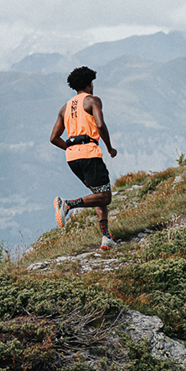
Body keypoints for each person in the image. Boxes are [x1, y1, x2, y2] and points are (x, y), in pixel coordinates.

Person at [50, 66, 118, 250]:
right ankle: (68, 204)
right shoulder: (92, 101)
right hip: (90, 154)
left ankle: (106, 238)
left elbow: (53, 138)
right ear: (89, 83)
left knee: (98, 195)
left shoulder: (64, 108)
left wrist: (72, 148)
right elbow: (100, 125)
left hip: (72, 159)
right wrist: (110, 148)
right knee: (105, 197)